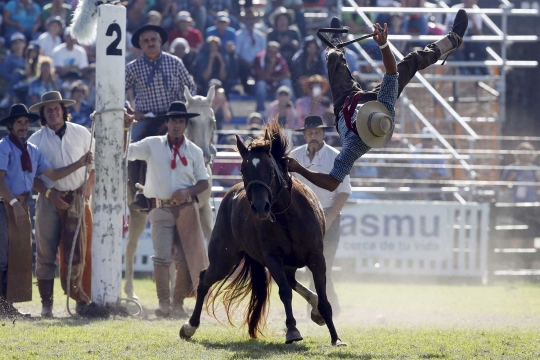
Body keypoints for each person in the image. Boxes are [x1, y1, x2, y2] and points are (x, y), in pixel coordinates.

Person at [286, 11, 469, 192]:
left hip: (344, 104)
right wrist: (383, 45)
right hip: (375, 101)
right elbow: (392, 71)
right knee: (411, 60)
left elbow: (333, 183)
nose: (362, 115)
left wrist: (299, 169)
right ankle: (452, 40)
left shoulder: (353, 147)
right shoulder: (385, 108)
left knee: (334, 58)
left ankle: (335, 43)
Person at [0, 103, 93, 318]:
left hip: (23, 204)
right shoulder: (5, 146)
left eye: (25, 122)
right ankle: (14, 305)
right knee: (7, 255)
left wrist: (79, 164)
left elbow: (52, 173)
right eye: (19, 123)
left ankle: (9, 306)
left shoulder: (31, 150)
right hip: (8, 204)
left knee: (20, 254)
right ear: (11, 126)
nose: (23, 126)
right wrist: (14, 203)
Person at [124, 101, 209, 318]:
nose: (176, 125)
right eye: (173, 120)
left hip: (186, 209)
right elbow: (128, 152)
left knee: (183, 259)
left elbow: (204, 182)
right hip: (160, 207)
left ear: (185, 124)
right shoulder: (152, 144)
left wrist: (188, 191)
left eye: (180, 121)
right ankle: (163, 303)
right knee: (161, 257)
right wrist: (126, 129)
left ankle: (178, 303)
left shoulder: (195, 151)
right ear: (167, 122)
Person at [28, 91, 95, 317]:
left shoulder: (82, 133)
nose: (54, 112)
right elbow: (31, 177)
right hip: (49, 199)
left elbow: (95, 166)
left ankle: (81, 301)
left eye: (57, 108)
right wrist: (48, 193)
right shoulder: (34, 141)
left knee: (81, 250)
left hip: (78, 197)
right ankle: (47, 306)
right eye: (49, 110)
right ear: (43, 115)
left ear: (64, 111)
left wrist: (87, 189)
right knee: (46, 252)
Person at [289, 115, 351, 316]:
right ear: (305, 135)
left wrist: (332, 215)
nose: (313, 136)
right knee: (312, 266)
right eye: (309, 133)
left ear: (323, 134)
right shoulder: (295, 156)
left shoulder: (336, 156)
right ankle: (328, 306)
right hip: (302, 219)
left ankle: (321, 306)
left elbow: (344, 190)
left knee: (324, 264)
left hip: (328, 215)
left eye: (316, 132)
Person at [125, 24, 196, 142]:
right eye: (146, 41)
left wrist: (181, 106)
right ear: (141, 45)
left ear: (160, 41)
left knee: (196, 142)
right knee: (130, 147)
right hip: (146, 118)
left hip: (175, 117)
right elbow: (119, 91)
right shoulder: (133, 67)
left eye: (153, 39)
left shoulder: (175, 62)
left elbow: (190, 87)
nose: (150, 43)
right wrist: (129, 109)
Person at [253, 41, 294, 113]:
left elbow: (287, 75)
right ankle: (261, 110)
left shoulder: (280, 59)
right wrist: (271, 65)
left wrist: (273, 79)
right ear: (266, 50)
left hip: (276, 85)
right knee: (261, 84)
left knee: (286, 82)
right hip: (264, 87)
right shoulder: (260, 58)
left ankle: (292, 108)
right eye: (270, 52)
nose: (272, 54)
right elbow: (261, 77)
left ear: (278, 52)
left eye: (274, 52)